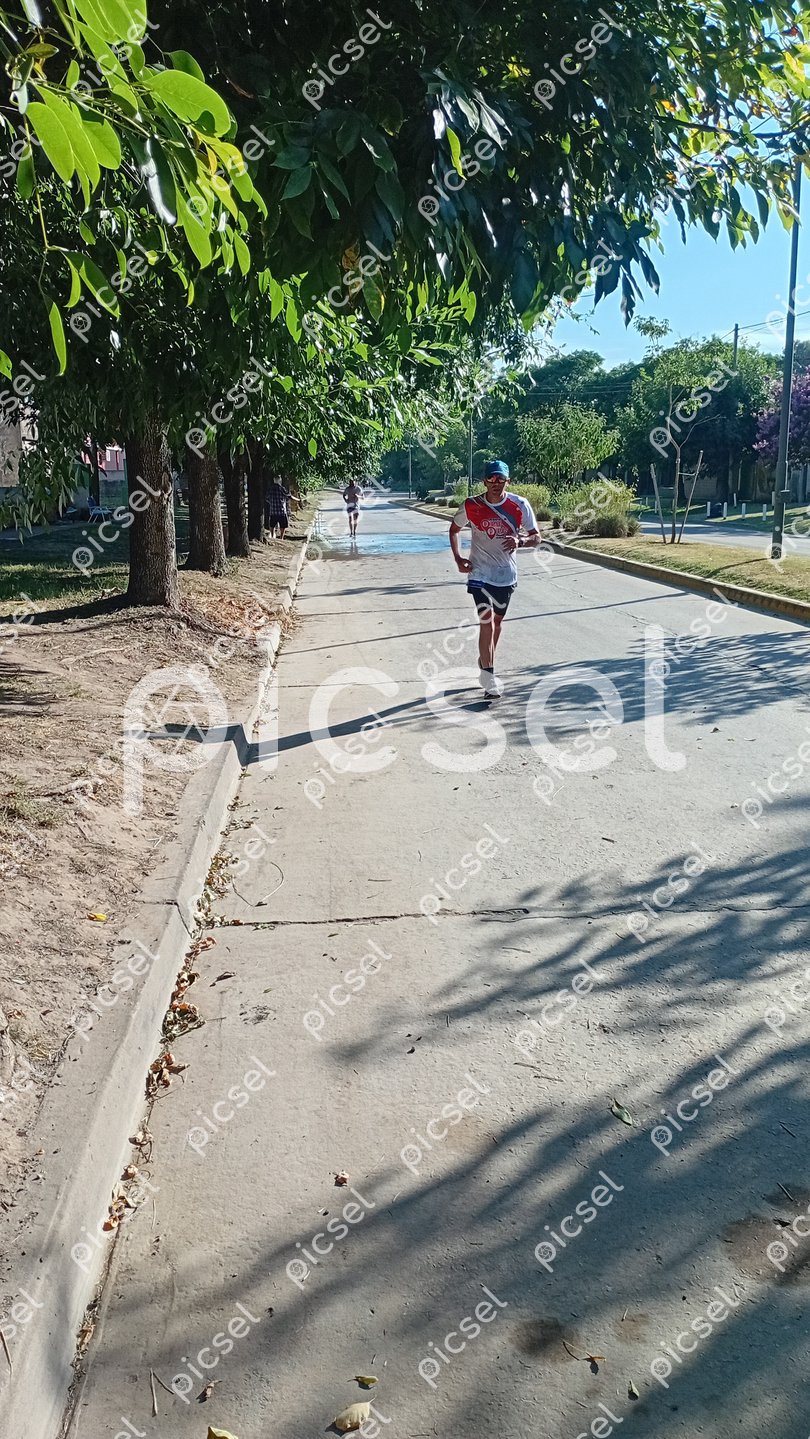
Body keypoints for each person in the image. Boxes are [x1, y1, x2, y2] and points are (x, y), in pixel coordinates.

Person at [448, 458, 539, 698]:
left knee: (497, 622)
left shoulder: (519, 505)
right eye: (491, 478)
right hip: (479, 573)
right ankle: (489, 678)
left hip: (505, 575)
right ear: (484, 481)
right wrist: (458, 558)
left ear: (508, 481)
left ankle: (485, 660)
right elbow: (454, 529)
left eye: (501, 479)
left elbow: (536, 537)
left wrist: (520, 541)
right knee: (486, 621)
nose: (496, 483)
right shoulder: (472, 505)